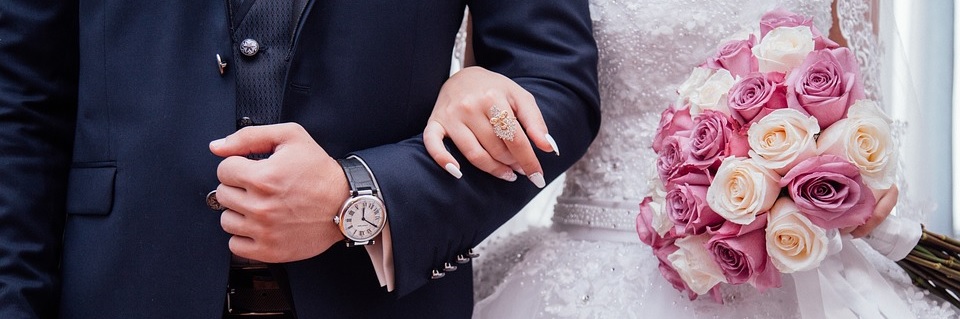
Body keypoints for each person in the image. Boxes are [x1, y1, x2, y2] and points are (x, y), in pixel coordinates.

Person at [0, 1, 600, 318]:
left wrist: (363, 198)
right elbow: (22, 107)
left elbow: (556, 88)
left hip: (374, 301)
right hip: (118, 291)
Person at [424, 0, 959, 318]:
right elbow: (505, 93)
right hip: (594, 263)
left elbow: (853, 87)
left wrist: (857, 177)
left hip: (799, 258)